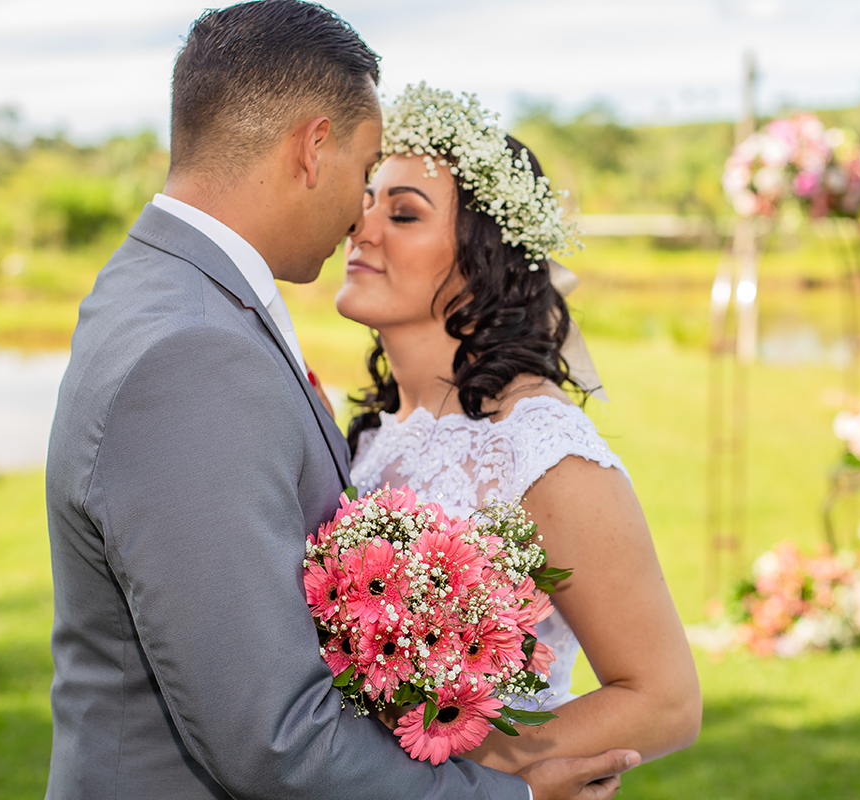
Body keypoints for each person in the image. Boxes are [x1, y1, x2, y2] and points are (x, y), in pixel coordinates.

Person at [44, 3, 637, 799]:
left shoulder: (159, 289)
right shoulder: (195, 348)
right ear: (311, 148)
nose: (360, 217)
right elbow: (273, 739)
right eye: (366, 178)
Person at [337, 83, 702, 773]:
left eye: (405, 215)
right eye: (364, 204)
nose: (363, 230)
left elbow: (666, 701)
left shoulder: (539, 450)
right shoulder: (368, 437)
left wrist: (457, 778)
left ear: (484, 261)